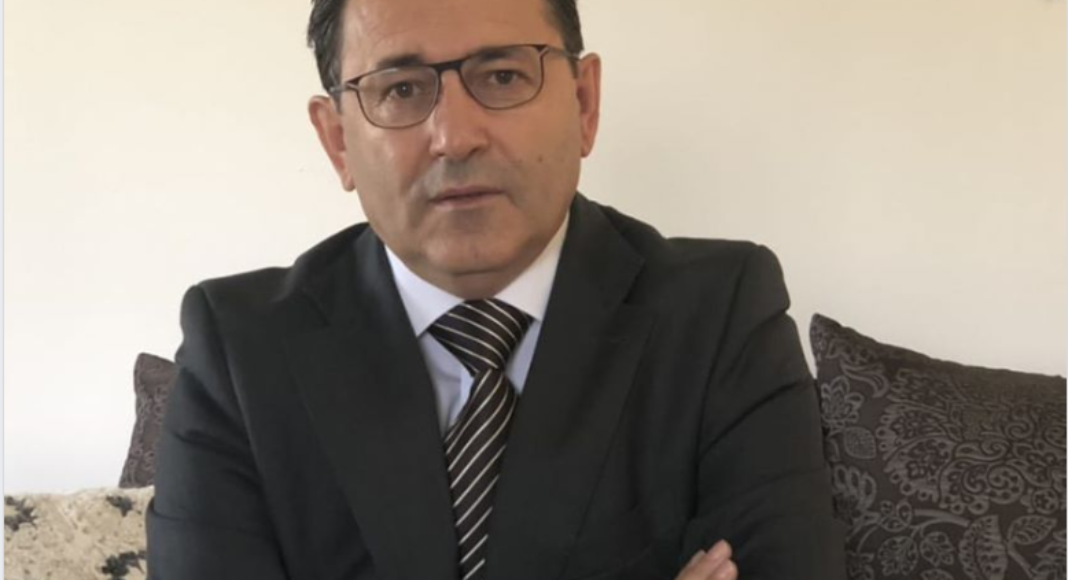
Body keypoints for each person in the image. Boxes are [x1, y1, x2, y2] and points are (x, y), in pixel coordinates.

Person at [145, 0, 846, 578]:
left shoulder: (721, 315)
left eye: (503, 76)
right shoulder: (239, 350)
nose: (455, 137)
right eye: (400, 89)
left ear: (585, 103)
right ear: (337, 142)